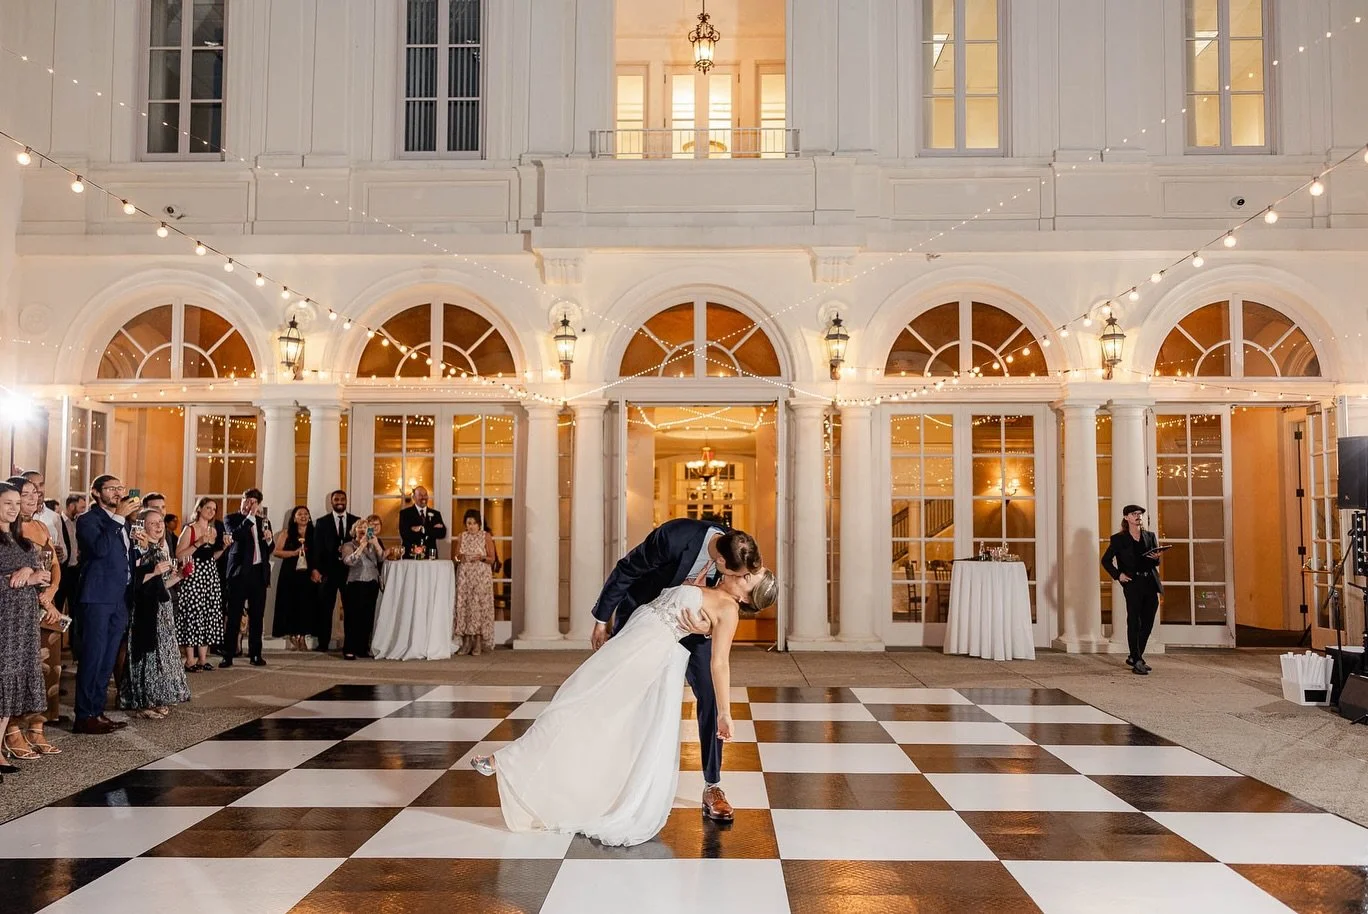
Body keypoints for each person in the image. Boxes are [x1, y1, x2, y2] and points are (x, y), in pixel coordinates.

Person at [471, 568, 778, 847]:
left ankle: (508, 762)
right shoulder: (709, 579)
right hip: (630, 641)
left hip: (643, 655)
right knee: (578, 701)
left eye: (751, 576)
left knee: (579, 702)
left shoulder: (728, 609)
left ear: (745, 595)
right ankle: (537, 771)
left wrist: (725, 713)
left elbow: (720, 663)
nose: (745, 570)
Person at [584, 519, 762, 822]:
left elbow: (747, 593)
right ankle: (616, 777)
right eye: (737, 574)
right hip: (651, 618)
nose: (742, 579)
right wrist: (603, 619)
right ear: (720, 561)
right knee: (629, 695)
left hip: (696, 627)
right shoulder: (674, 537)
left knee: (710, 692)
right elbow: (627, 569)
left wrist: (708, 626)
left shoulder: (739, 548)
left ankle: (713, 786)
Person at [0, 482, 58, 769]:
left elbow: (38, 573)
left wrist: (32, 573)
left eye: (15, 503)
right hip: (3, 619)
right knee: (2, 680)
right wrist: (19, 574)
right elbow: (10, 580)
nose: (13, 508)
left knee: (12, 683)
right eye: (7, 503)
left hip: (24, 619)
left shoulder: (21, 541)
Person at [72, 475, 132, 735]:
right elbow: (100, 550)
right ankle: (84, 715)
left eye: (121, 488)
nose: (118, 493)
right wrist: (118, 518)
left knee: (108, 659)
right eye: (112, 489)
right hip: (96, 597)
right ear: (96, 493)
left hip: (119, 597)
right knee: (93, 657)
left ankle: (97, 710)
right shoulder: (88, 520)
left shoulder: (123, 524)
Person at [120, 509, 190, 719]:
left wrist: (179, 575)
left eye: (160, 522)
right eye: (153, 523)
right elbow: (132, 583)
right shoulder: (136, 550)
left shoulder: (161, 548)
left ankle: (159, 697)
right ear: (142, 526)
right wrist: (154, 572)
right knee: (146, 655)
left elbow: (161, 585)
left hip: (162, 609)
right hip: (144, 609)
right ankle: (143, 701)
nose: (159, 526)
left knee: (162, 655)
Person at [1101, 504, 1165, 676]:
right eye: (1134, 514)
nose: (1138, 516)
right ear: (1126, 518)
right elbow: (1106, 560)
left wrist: (1156, 558)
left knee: (1148, 621)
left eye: (1140, 514)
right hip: (1133, 583)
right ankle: (1137, 660)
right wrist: (1118, 575)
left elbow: (1154, 563)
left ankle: (1135, 655)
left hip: (1150, 582)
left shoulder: (1150, 536)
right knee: (1134, 621)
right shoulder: (1119, 539)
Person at [174, 497, 229, 672]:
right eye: (208, 508)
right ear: (199, 509)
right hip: (194, 576)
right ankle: (190, 660)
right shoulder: (189, 529)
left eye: (214, 509)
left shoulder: (213, 531)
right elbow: (179, 555)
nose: (212, 511)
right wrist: (199, 542)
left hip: (210, 575)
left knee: (207, 614)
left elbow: (211, 557)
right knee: (193, 615)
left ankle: (203, 659)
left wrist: (224, 547)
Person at [222, 489, 274, 667]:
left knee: (257, 616)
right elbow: (235, 536)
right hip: (239, 573)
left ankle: (255, 655)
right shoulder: (231, 519)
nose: (249, 504)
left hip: (259, 574)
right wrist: (250, 517)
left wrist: (268, 540)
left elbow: (269, 549)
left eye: (253, 502)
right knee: (234, 615)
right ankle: (228, 654)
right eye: (246, 500)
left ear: (258, 503)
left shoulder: (264, 522)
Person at [312, 490, 358, 652]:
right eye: (336, 499)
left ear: (346, 501)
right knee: (325, 608)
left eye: (342, 499)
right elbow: (316, 548)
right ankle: (323, 643)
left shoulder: (356, 521)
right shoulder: (322, 522)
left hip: (350, 571)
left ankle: (350, 644)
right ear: (331, 502)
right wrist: (315, 569)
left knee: (351, 609)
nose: (340, 501)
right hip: (328, 571)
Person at [271, 506, 319, 651]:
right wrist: (294, 553)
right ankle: (292, 634)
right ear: (294, 518)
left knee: (306, 605)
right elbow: (276, 552)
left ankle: (302, 637)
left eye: (306, 514)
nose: (303, 516)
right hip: (290, 573)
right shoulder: (286, 533)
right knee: (290, 604)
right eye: (300, 514)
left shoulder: (315, 532)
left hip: (308, 573)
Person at [340, 515, 385, 660]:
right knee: (353, 617)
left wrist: (376, 544)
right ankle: (349, 649)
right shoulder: (348, 545)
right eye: (360, 530)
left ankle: (362, 648)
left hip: (371, 583)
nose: (363, 532)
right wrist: (361, 545)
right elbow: (349, 561)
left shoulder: (373, 544)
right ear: (354, 531)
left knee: (367, 617)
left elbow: (381, 559)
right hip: (355, 583)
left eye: (365, 529)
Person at [454, 508, 496, 656]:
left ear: (479, 524)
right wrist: (461, 558)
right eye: (468, 523)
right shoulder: (462, 536)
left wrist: (481, 557)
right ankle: (466, 642)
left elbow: (492, 559)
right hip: (465, 576)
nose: (471, 526)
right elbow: (456, 557)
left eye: (474, 523)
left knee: (478, 607)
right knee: (465, 607)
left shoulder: (486, 536)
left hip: (481, 576)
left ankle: (478, 641)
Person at [398, 486, 446, 558]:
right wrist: (432, 529)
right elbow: (405, 534)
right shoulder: (405, 513)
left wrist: (422, 529)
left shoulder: (436, 514)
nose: (424, 497)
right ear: (414, 497)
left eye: (425, 495)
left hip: (430, 556)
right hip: (411, 556)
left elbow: (442, 533)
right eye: (420, 495)